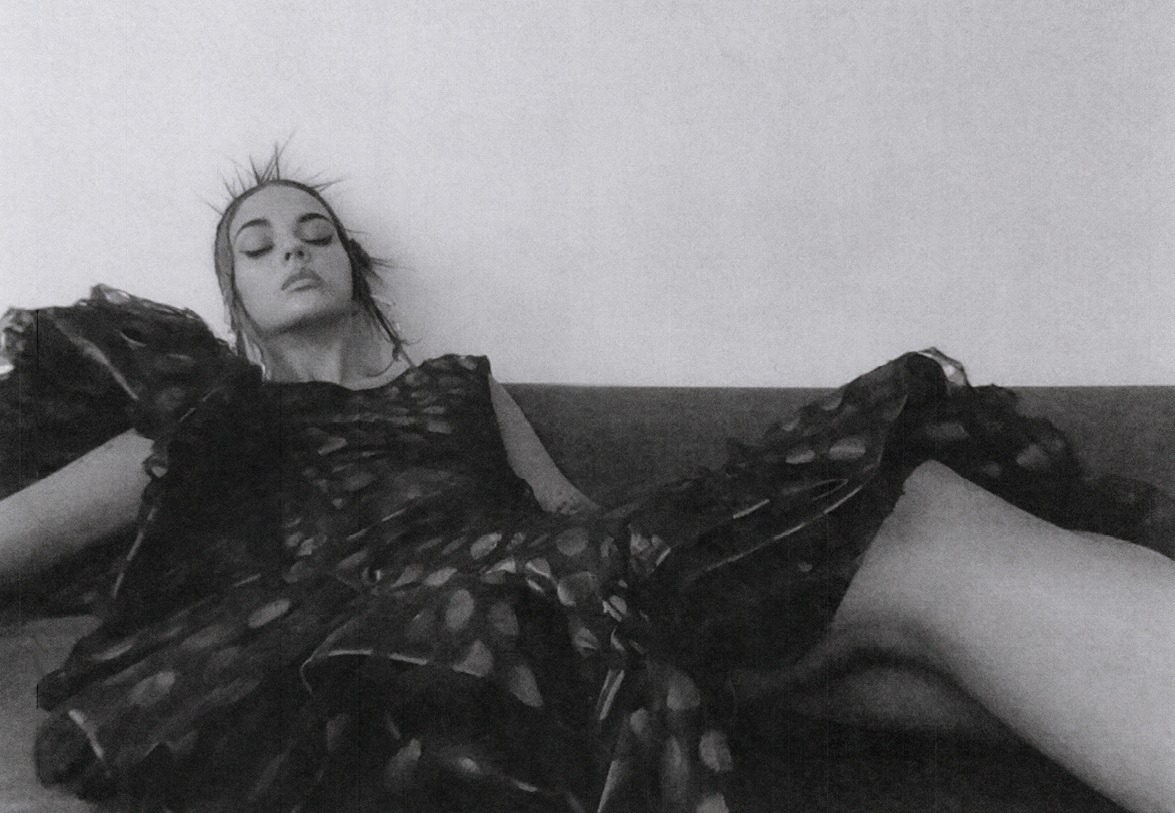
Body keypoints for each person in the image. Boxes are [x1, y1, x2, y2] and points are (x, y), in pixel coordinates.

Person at [1, 156, 1172, 813]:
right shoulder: (208, 423)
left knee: (908, 583)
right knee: (913, 528)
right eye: (257, 247)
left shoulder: (462, 386)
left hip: (558, 598)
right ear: (236, 300)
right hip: (410, 652)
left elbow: (562, 512)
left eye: (312, 231)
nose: (292, 250)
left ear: (353, 265)